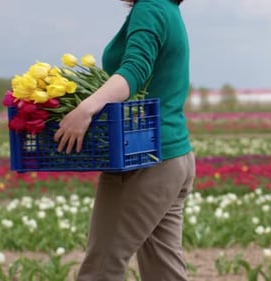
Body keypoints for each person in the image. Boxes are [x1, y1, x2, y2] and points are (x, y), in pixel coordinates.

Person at [54, 0, 195, 280]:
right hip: (174, 157)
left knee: (101, 270)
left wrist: (85, 109)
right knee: (163, 273)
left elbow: (134, 70)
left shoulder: (151, 7)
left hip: (144, 160)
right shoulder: (166, 8)